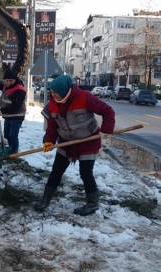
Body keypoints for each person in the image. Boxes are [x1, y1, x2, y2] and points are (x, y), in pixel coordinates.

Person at [34, 75, 116, 216]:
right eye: (52, 93)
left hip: (88, 140)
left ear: (65, 89)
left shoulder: (84, 97)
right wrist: (49, 140)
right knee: (56, 171)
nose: (54, 96)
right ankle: (45, 200)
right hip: (66, 142)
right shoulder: (53, 103)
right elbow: (52, 125)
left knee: (85, 173)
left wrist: (106, 131)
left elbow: (108, 111)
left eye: (56, 92)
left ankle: (92, 204)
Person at [0, 70, 26, 154]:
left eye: (10, 81)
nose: (8, 83)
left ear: (15, 80)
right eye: (6, 81)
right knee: (7, 135)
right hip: (8, 115)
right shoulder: (5, 85)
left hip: (17, 116)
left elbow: (16, 106)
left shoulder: (19, 90)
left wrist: (2, 110)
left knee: (12, 135)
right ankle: (10, 148)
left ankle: (14, 151)